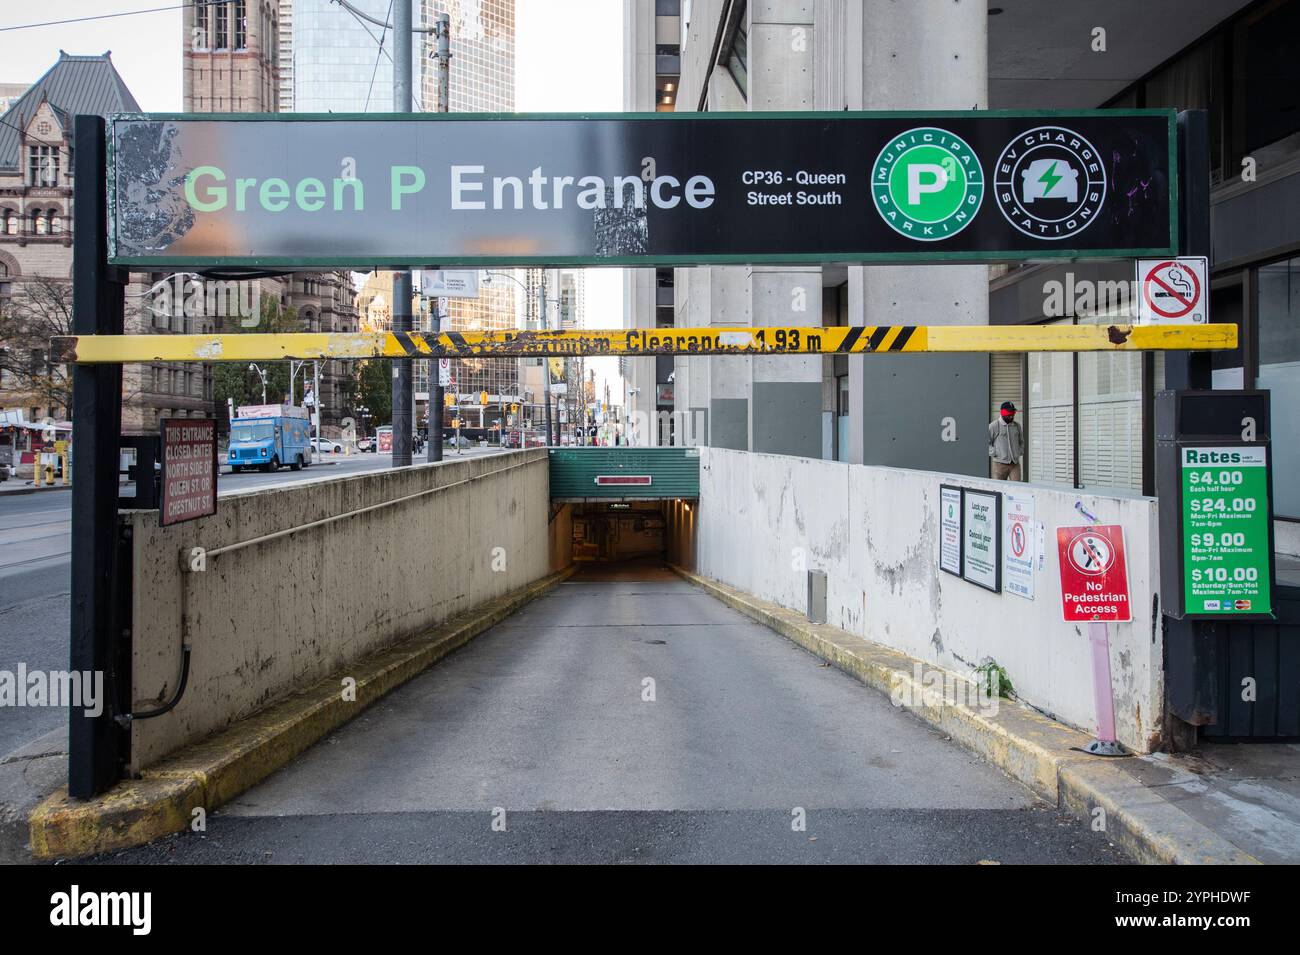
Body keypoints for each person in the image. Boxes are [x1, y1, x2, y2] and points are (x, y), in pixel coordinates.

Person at [988, 401, 1023, 481]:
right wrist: (995, 452)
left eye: (1012, 413)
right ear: (1003, 412)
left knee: (1017, 488)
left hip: (1014, 464)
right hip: (999, 465)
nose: (1011, 416)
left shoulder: (1017, 426)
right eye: (1009, 413)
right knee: (999, 489)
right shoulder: (994, 426)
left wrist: (1019, 451)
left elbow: (1021, 441)